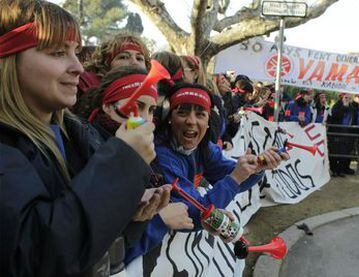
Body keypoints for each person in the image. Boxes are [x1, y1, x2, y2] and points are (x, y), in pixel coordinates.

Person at [0, 1, 167, 275]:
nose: (78, 66)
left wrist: (129, 214)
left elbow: (87, 248)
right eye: (57, 53)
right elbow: (36, 255)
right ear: (8, 59)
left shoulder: (76, 134)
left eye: (76, 52)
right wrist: (124, 162)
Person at [83, 66, 194, 264]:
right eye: (137, 106)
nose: (146, 119)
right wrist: (158, 222)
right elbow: (94, 251)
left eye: (151, 110)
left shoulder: (140, 150)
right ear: (108, 107)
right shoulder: (89, 153)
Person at [155, 82, 290, 232]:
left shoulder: (204, 148)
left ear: (208, 122)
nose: (191, 121)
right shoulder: (161, 156)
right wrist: (236, 177)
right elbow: (192, 213)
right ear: (169, 118)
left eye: (200, 114)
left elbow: (233, 177)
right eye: (182, 113)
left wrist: (257, 166)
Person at [72, 33, 151, 115]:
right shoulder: (82, 83)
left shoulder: (150, 96)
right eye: (123, 57)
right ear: (106, 64)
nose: (134, 62)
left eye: (139, 58)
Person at [327, 93, 356, 177]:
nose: (347, 99)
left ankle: (340, 170)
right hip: (336, 133)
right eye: (346, 97)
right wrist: (344, 107)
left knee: (344, 153)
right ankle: (334, 169)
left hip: (347, 133)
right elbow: (335, 116)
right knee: (335, 152)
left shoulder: (352, 108)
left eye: (349, 97)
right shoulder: (336, 106)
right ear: (342, 97)